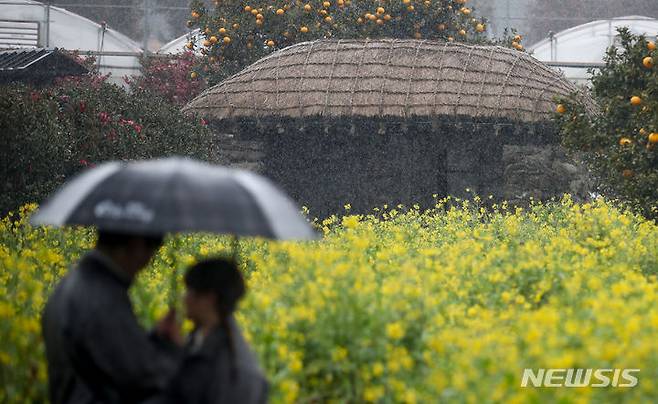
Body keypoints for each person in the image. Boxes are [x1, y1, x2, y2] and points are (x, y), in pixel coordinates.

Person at [42, 230, 182, 404]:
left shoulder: (71, 285)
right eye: (150, 253)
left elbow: (107, 354)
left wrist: (156, 337)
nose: (146, 263)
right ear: (136, 245)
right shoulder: (102, 298)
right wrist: (172, 349)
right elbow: (143, 378)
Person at [156, 257, 268, 404]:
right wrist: (170, 346)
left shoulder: (235, 369)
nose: (184, 298)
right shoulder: (198, 339)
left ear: (210, 298)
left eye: (190, 290)